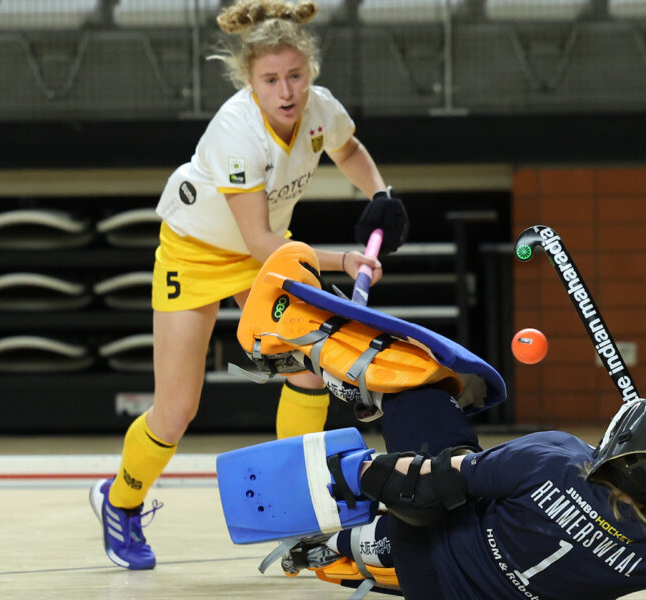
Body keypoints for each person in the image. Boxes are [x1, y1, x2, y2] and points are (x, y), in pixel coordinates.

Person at [225, 242, 646, 600]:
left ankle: (309, 344)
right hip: (435, 591)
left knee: (424, 393)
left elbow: (432, 483)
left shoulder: (556, 459)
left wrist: (363, 472)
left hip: (431, 562)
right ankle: (335, 549)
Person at [89, 0, 410, 571]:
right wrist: (343, 259)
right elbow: (259, 241)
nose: (286, 91)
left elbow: (348, 148)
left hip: (266, 249)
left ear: (310, 71)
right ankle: (120, 501)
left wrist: (381, 195)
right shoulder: (236, 132)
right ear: (249, 81)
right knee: (176, 409)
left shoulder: (319, 108)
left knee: (308, 370)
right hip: (197, 252)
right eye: (271, 80)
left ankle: (296, 509)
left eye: (295, 75)